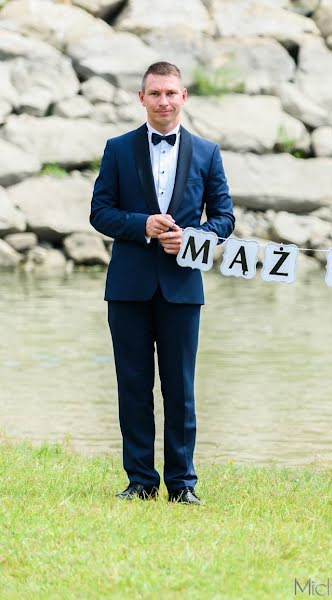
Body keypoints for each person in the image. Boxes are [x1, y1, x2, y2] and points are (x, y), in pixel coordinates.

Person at [90, 62, 235, 505]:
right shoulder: (117, 149)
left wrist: (194, 239)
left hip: (182, 287)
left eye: (171, 93)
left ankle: (183, 484)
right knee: (133, 387)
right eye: (155, 94)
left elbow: (225, 218)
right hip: (128, 289)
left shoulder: (208, 152)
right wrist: (142, 225)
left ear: (184, 96)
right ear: (142, 98)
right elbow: (100, 212)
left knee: (180, 388)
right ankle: (139, 481)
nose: (164, 101)